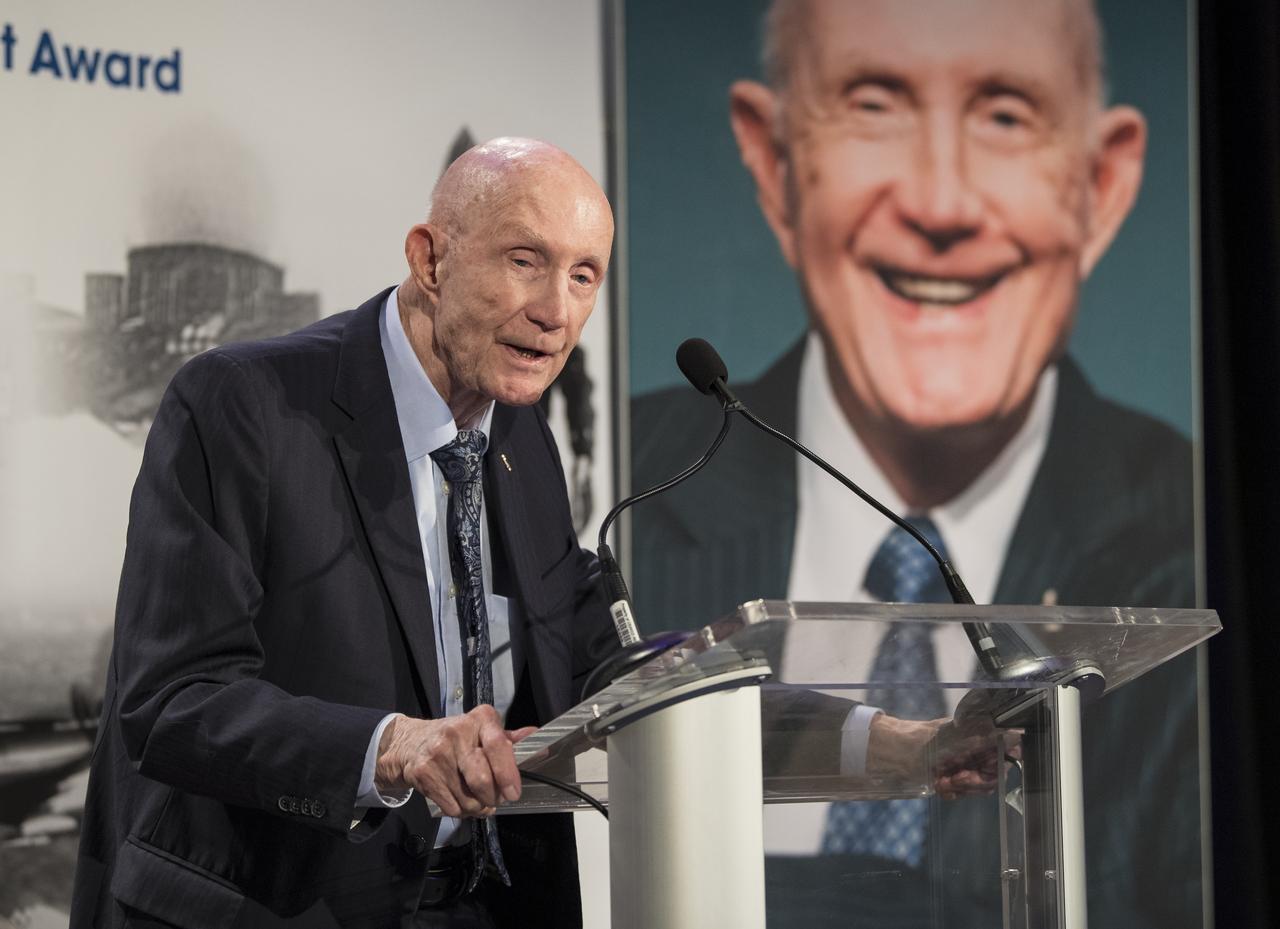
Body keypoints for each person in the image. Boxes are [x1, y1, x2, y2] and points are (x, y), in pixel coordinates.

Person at [631, 0, 1200, 926]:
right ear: (776, 164)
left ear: (1103, 180)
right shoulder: (633, 496)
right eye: (874, 105)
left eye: (1006, 115)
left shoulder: (1189, 529)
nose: (940, 204)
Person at [70, 138, 623, 928]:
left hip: (485, 901)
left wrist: (777, 705)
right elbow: (170, 699)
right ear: (430, 260)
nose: (556, 311)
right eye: (526, 261)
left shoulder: (518, 433)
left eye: (583, 275)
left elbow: (563, 618)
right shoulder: (240, 405)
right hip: (283, 903)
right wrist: (390, 745)